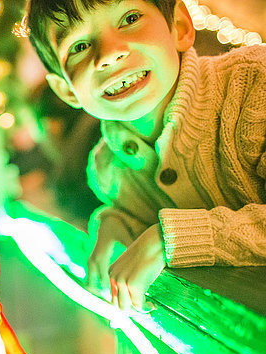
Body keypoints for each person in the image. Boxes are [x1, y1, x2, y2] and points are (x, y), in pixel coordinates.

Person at [23, 0, 266, 310]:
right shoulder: (107, 168)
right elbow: (136, 216)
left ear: (179, 26)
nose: (110, 53)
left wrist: (167, 241)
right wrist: (113, 223)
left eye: (130, 18)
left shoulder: (256, 84)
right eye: (80, 45)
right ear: (67, 91)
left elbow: (163, 235)